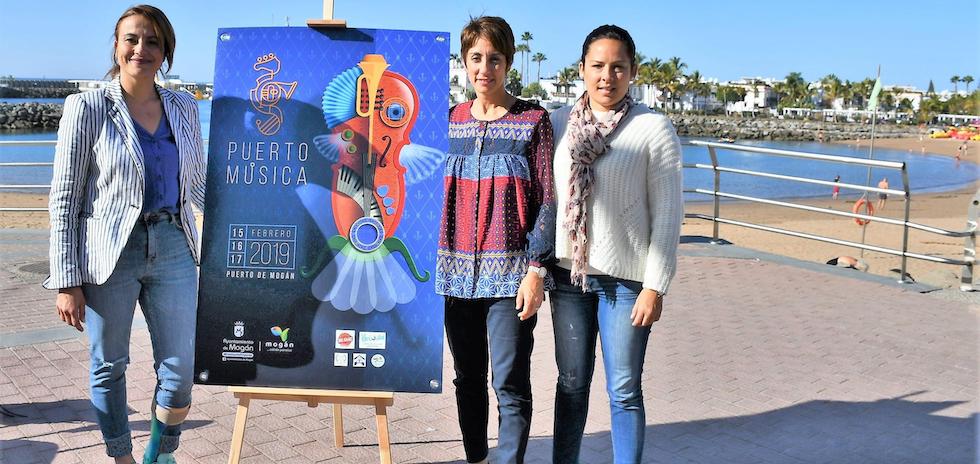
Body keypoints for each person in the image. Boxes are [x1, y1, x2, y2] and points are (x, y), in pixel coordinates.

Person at [46, 5, 207, 463]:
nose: (141, 49)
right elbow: (65, 199)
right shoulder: (88, 107)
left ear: (166, 52)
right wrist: (67, 280)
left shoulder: (183, 107)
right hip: (108, 254)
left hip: (175, 243)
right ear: (116, 46)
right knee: (109, 365)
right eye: (132, 39)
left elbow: (196, 184)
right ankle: (121, 456)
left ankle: (158, 454)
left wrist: (242, 222)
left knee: (179, 373)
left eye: (153, 41)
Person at [548, 25, 683, 463]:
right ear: (582, 70)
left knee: (624, 389)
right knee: (571, 384)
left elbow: (667, 212)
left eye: (618, 67)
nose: (608, 76)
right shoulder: (559, 124)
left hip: (627, 283)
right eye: (598, 66)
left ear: (632, 72)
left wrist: (655, 285)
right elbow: (548, 200)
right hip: (570, 276)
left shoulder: (653, 128)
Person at [435, 16, 556, 464]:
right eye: (476, 58)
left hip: (510, 278)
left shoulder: (533, 121)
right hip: (454, 275)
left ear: (508, 62)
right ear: (465, 63)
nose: (485, 68)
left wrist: (536, 270)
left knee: (508, 379)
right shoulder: (448, 122)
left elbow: (547, 199)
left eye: (494, 58)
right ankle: (476, 458)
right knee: (466, 376)